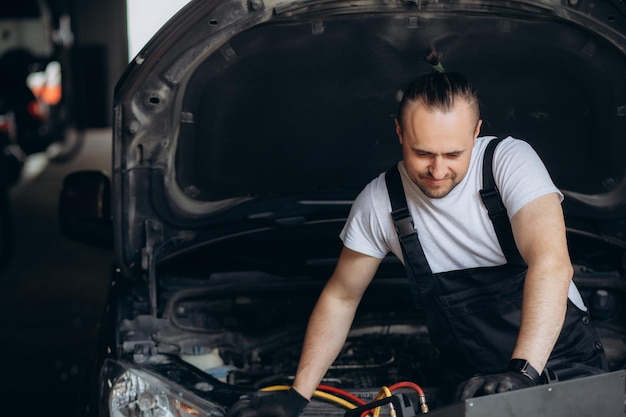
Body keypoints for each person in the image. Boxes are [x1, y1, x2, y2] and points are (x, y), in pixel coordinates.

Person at [228, 54, 608, 417]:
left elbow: (552, 264)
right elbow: (341, 297)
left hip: (560, 366)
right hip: (471, 384)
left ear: (476, 132)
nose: (438, 170)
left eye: (454, 154)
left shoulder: (509, 162)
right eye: (423, 153)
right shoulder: (380, 203)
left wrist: (522, 373)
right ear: (399, 132)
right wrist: (297, 397)